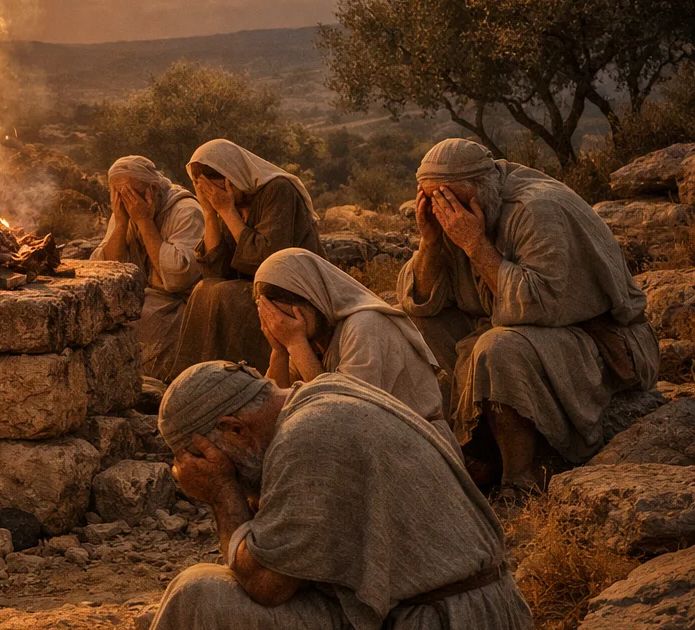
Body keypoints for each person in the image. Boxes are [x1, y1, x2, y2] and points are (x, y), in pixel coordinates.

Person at [124, 362, 530, 630]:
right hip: (469, 629)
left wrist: (222, 493)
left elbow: (265, 585)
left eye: (197, 457)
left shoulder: (309, 437)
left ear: (234, 429)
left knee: (197, 598)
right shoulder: (323, 395)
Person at [397, 138, 660, 495]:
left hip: (599, 341)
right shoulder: (458, 214)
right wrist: (429, 241)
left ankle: (519, 479)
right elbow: (420, 301)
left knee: (497, 348)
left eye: (451, 200)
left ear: (483, 188)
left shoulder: (537, 210)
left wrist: (475, 245)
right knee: (413, 322)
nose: (445, 212)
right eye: (433, 201)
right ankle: (481, 446)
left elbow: (541, 305)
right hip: (524, 331)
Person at [253, 247, 454, 442]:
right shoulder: (312, 337)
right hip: (375, 437)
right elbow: (273, 414)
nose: (283, 325)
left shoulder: (366, 325)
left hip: (418, 441)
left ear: (313, 297)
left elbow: (345, 413)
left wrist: (296, 344)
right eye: (275, 319)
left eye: (289, 315)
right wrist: (279, 350)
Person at [174, 138, 323, 371]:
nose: (213, 194)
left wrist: (226, 210)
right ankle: (198, 376)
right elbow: (213, 271)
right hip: (254, 288)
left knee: (225, 295)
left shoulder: (278, 190)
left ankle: (233, 378)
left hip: (294, 293)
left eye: (215, 187)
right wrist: (210, 212)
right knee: (204, 290)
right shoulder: (229, 202)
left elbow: (268, 261)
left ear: (231, 177)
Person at [92, 155, 205, 381]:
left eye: (132, 193)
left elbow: (178, 278)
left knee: (132, 324)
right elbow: (106, 268)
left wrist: (144, 222)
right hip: (146, 296)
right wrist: (122, 223)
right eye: (119, 195)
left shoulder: (185, 211)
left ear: (152, 189)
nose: (127, 200)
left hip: (179, 302)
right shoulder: (126, 211)